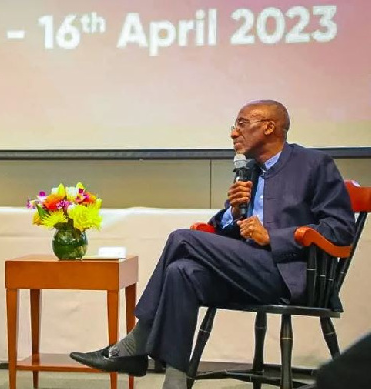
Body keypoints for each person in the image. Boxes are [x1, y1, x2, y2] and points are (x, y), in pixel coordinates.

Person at [70, 100, 355, 389]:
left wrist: (274, 237)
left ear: (269, 127)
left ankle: (136, 343)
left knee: (182, 238)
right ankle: (175, 381)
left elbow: (341, 230)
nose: (234, 133)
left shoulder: (314, 164)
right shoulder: (249, 171)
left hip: (289, 276)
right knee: (181, 271)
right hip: (245, 270)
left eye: (242, 124)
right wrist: (232, 213)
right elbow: (222, 232)